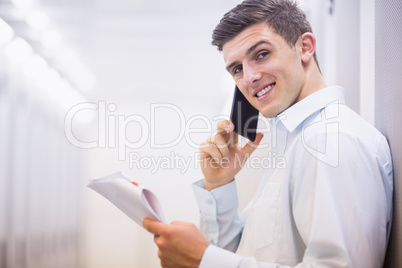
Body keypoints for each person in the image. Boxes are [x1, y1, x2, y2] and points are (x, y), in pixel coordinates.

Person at [143, 0, 394, 267]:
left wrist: (204, 260)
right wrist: (219, 185)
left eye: (261, 54)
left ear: (305, 47)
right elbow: (246, 255)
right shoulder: (294, 144)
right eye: (237, 68)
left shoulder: (331, 141)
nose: (249, 77)